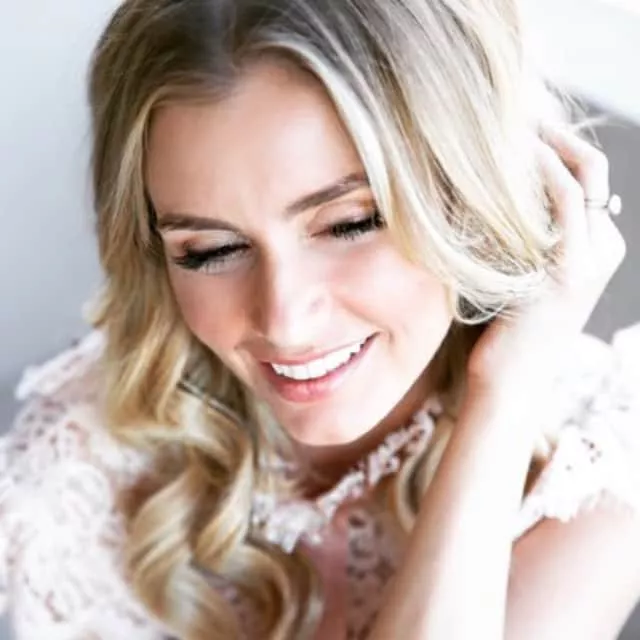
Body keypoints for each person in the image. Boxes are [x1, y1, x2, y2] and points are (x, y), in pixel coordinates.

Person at [1, 0, 640, 638]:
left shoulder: (596, 461)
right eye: (212, 251)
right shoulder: (80, 471)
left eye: (349, 224)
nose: (284, 323)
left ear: (472, 198)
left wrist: (504, 395)